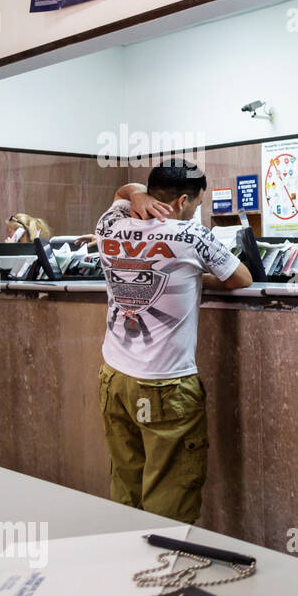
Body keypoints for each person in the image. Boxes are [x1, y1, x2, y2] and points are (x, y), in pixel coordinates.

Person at [95, 158, 252, 523]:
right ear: (183, 201)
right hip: (166, 386)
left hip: (115, 379)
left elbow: (122, 191)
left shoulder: (109, 223)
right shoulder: (191, 236)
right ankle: (163, 571)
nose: (195, 211)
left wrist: (136, 192)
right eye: (197, 204)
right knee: (170, 496)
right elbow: (241, 278)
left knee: (126, 484)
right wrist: (192, 277)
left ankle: (128, 568)